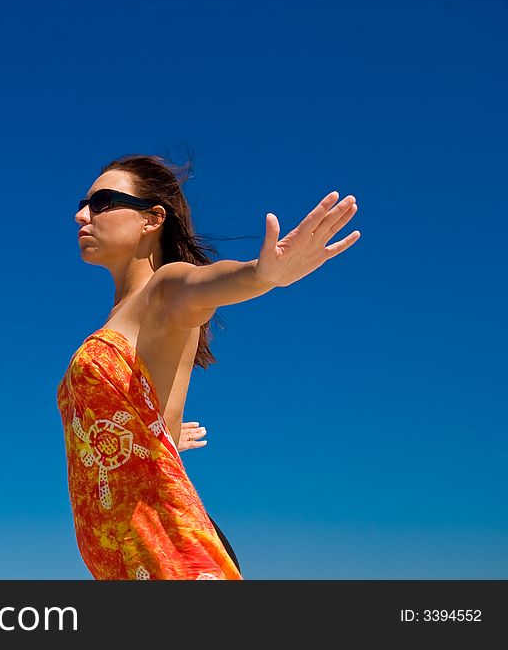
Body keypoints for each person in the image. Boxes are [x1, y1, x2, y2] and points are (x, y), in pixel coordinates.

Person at [55, 153, 360, 580]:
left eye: (103, 201)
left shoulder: (165, 288)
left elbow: (204, 284)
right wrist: (158, 434)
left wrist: (261, 274)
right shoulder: (117, 319)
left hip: (170, 554)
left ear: (151, 219)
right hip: (124, 562)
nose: (81, 215)